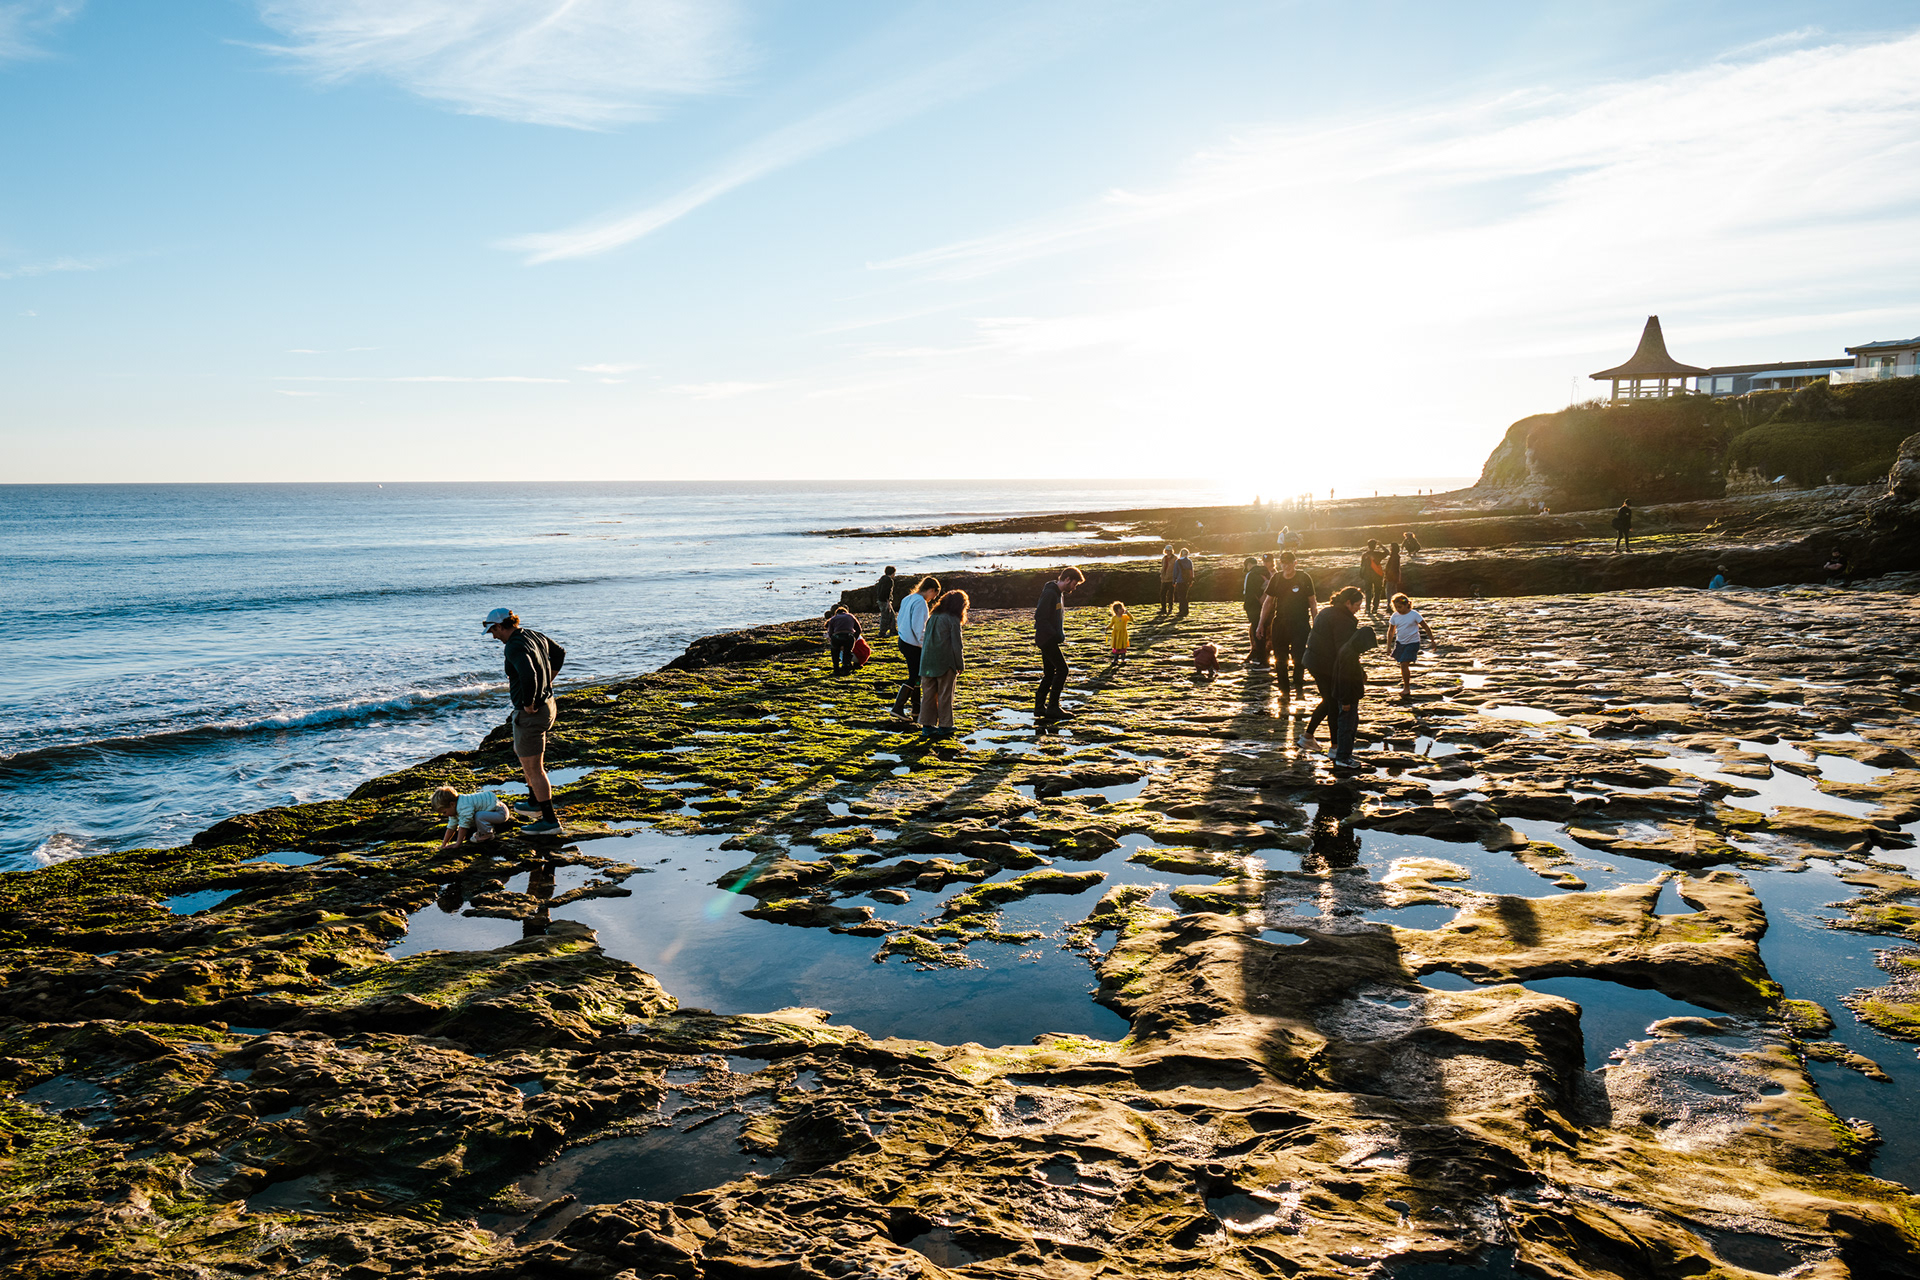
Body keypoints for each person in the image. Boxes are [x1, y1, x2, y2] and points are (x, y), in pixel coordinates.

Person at [484, 607, 567, 835]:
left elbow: (528, 674)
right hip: (548, 705)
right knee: (522, 753)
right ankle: (533, 802)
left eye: (493, 630)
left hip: (531, 713)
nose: (493, 635)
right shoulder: (532, 634)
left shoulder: (514, 646)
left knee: (535, 768)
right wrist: (547, 683)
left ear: (500, 626)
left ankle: (549, 821)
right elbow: (559, 652)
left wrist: (530, 701)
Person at [1299, 586, 1362, 749]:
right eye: (1357, 605)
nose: (1358, 609)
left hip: (1313, 661)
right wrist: (1357, 672)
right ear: (1348, 602)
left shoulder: (1327, 611)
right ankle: (1334, 746)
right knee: (1332, 702)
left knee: (1328, 700)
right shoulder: (1343, 620)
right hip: (1324, 665)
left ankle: (1308, 737)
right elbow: (1344, 651)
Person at [1258, 551, 1317, 694]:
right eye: (1284, 563)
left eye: (1289, 563)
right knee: (1280, 659)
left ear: (1295, 563)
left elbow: (1312, 603)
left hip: (1300, 623)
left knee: (1298, 657)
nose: (1287, 566)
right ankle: (1284, 690)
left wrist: (1316, 625)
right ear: (1280, 564)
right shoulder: (1277, 578)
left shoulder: (1304, 578)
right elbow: (1268, 602)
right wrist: (1261, 623)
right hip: (1280, 623)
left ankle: (1298, 687)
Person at [1034, 566, 1086, 722]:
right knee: (1063, 669)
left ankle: (1039, 707)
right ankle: (1053, 707)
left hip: (1047, 638)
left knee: (1050, 673)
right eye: (1074, 584)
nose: (1074, 588)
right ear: (1067, 579)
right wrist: (1055, 634)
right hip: (1046, 639)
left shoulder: (1058, 594)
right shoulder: (1050, 593)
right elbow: (1039, 617)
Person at [918, 589, 969, 739]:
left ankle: (927, 726)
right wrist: (960, 664)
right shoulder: (952, 619)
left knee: (928, 695)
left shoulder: (933, 617)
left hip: (927, 661)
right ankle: (945, 725)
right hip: (945, 662)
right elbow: (956, 645)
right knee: (945, 695)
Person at [889, 576, 940, 721]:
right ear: (931, 590)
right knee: (915, 676)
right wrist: (926, 645)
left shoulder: (908, 598)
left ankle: (916, 710)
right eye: (934, 595)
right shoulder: (920, 602)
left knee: (917, 675)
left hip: (903, 640)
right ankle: (898, 708)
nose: (933, 598)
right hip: (913, 643)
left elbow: (901, 619)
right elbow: (919, 627)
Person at [1331, 621, 1378, 769]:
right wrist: (1345, 701)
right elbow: (1344, 679)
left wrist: (1361, 673)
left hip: (1350, 696)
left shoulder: (1350, 650)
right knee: (1346, 727)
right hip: (1347, 697)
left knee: (1351, 726)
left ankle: (1346, 754)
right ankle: (1343, 757)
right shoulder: (1349, 654)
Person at [1384, 593, 1434, 699]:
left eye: (1400, 607)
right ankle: (1406, 686)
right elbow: (1391, 631)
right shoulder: (1395, 616)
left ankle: (1406, 688)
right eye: (1396, 607)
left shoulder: (1414, 615)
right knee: (1402, 664)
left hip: (1413, 643)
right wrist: (1388, 646)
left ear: (1407, 604)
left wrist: (1432, 641)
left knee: (1404, 664)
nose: (1398, 609)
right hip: (1400, 643)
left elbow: (1426, 627)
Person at [433, 785, 510, 847]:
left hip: (500, 812)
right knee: (476, 816)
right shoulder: (455, 808)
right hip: (492, 812)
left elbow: (463, 826)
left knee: (478, 816)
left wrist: (458, 844)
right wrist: (444, 844)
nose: (445, 815)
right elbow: (451, 827)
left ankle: (487, 834)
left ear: (452, 804)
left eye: (444, 812)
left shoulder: (463, 805)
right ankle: (484, 831)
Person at [1241, 557, 1268, 664]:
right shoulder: (1265, 572)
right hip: (1266, 606)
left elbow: (1249, 592)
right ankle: (1264, 656)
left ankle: (1262, 658)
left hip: (1254, 607)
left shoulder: (1251, 574)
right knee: (1264, 631)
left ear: (1248, 565)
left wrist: (1246, 606)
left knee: (1257, 632)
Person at [825, 605, 863, 675]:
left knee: (835, 653)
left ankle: (836, 669)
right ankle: (846, 668)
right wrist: (854, 638)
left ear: (836, 613)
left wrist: (833, 639)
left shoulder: (833, 618)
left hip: (836, 636)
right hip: (848, 636)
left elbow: (830, 632)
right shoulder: (851, 616)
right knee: (847, 652)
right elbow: (859, 629)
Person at [1360, 539, 1384, 613]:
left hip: (1367, 576)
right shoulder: (1378, 554)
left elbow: (1362, 565)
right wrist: (1381, 545)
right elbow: (1387, 553)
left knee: (1368, 592)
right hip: (1377, 575)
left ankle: (1367, 609)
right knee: (1377, 592)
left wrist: (1362, 575)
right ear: (1375, 546)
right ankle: (1375, 608)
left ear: (1368, 546)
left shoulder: (1365, 555)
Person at [875, 566, 899, 637]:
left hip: (880, 600)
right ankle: (882, 633)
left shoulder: (882, 579)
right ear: (893, 573)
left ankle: (893, 630)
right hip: (885, 601)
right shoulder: (889, 580)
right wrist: (888, 602)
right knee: (886, 616)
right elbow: (887, 592)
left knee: (891, 615)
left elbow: (879, 590)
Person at [1173, 546, 1195, 619]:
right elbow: (1191, 571)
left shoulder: (1178, 561)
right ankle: (1186, 610)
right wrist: (1191, 580)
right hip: (1187, 581)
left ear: (1181, 553)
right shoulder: (1189, 561)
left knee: (1180, 596)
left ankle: (1181, 611)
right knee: (1185, 596)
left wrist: (1174, 581)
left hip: (1180, 581)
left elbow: (1175, 572)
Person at [1108, 601, 1132, 665]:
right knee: (1116, 647)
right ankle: (1115, 660)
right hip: (1116, 634)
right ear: (1116, 611)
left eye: (1122, 608)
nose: (1122, 609)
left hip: (1123, 634)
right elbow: (1111, 624)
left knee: (1123, 647)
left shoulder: (1125, 617)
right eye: (1120, 609)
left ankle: (1123, 659)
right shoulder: (1114, 618)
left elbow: (1131, 619)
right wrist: (1107, 628)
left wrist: (1128, 613)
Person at [1157, 547, 1177, 616]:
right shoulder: (1164, 558)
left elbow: (1176, 569)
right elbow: (1163, 568)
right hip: (1164, 579)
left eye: (1169, 551)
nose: (1168, 552)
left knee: (1170, 595)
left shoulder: (1175, 559)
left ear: (1172, 551)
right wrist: (1162, 575)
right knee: (1162, 594)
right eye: (1167, 551)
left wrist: (1175, 578)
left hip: (1171, 579)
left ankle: (1170, 608)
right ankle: (1163, 609)